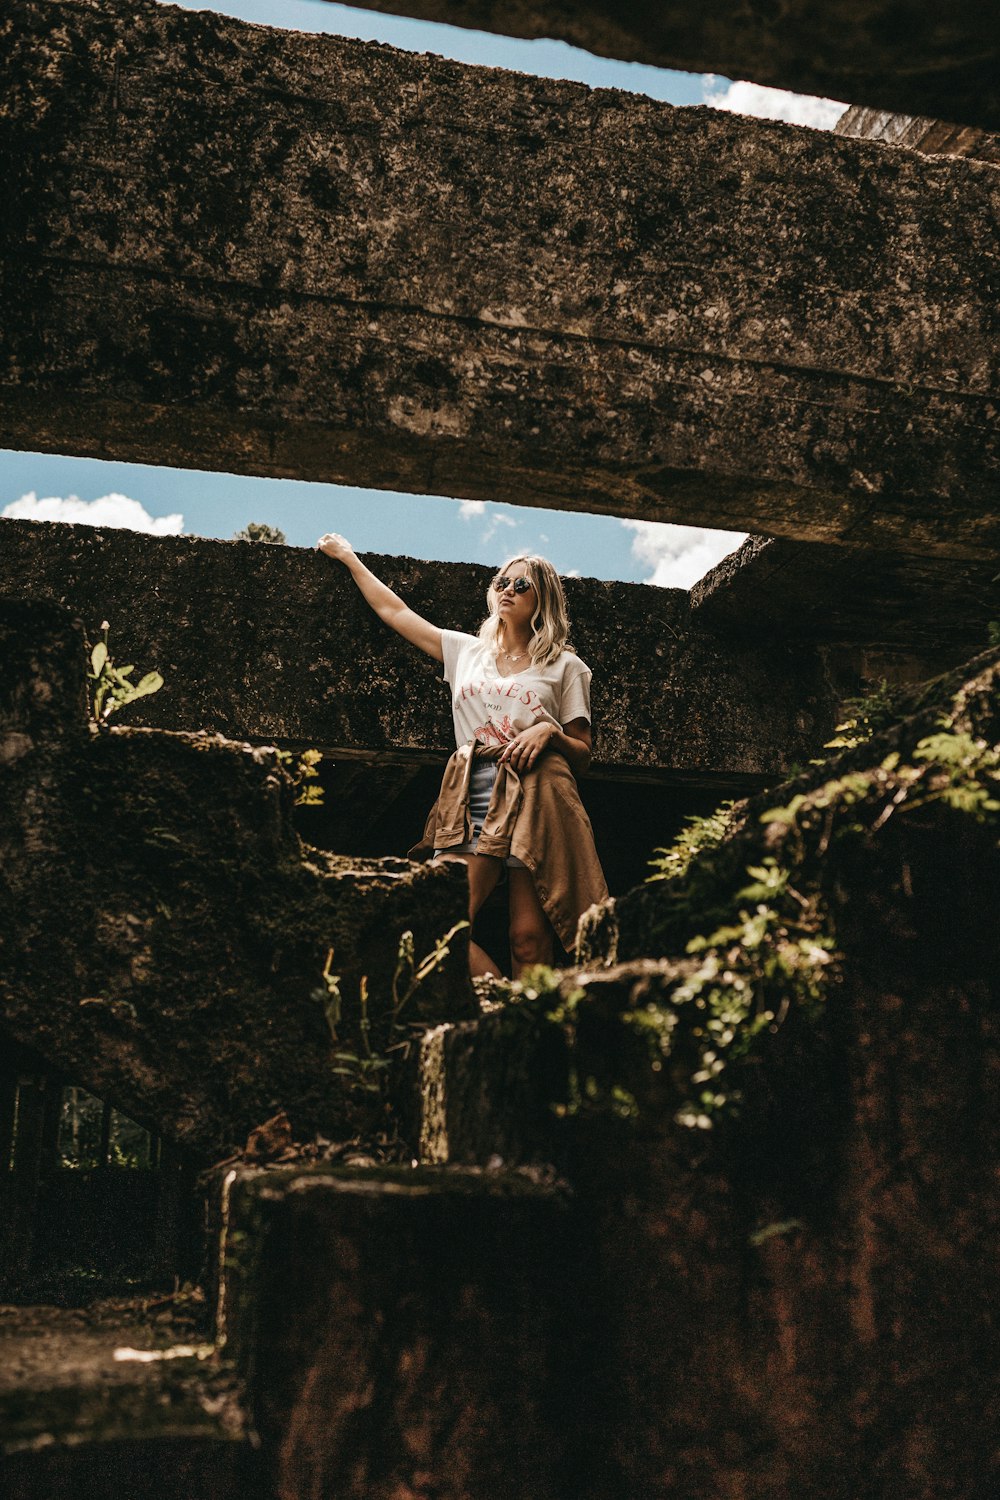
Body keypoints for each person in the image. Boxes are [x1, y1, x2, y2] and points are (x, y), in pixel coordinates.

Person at [316, 534, 608, 978]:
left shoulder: (566, 667)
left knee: (528, 940)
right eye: (502, 582)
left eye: (521, 585)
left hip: (540, 789)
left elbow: (583, 755)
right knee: (436, 920)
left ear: (543, 599)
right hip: (474, 788)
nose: (507, 590)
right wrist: (349, 557)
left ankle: (528, 1030)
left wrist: (548, 731)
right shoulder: (467, 652)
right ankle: (500, 1011)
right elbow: (395, 612)